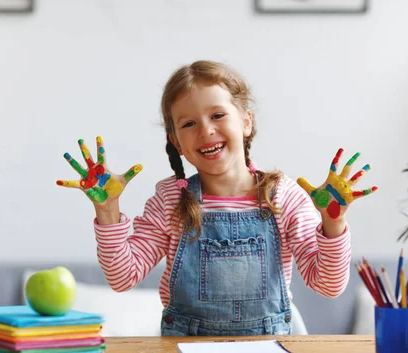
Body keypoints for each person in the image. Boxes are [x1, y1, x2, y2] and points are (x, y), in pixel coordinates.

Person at [57, 60, 377, 336]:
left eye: (218, 115)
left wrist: (333, 222)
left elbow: (328, 285)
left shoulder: (283, 196)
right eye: (189, 123)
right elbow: (123, 277)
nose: (206, 130)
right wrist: (107, 209)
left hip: (273, 351)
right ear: (176, 142)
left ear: (246, 121)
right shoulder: (171, 198)